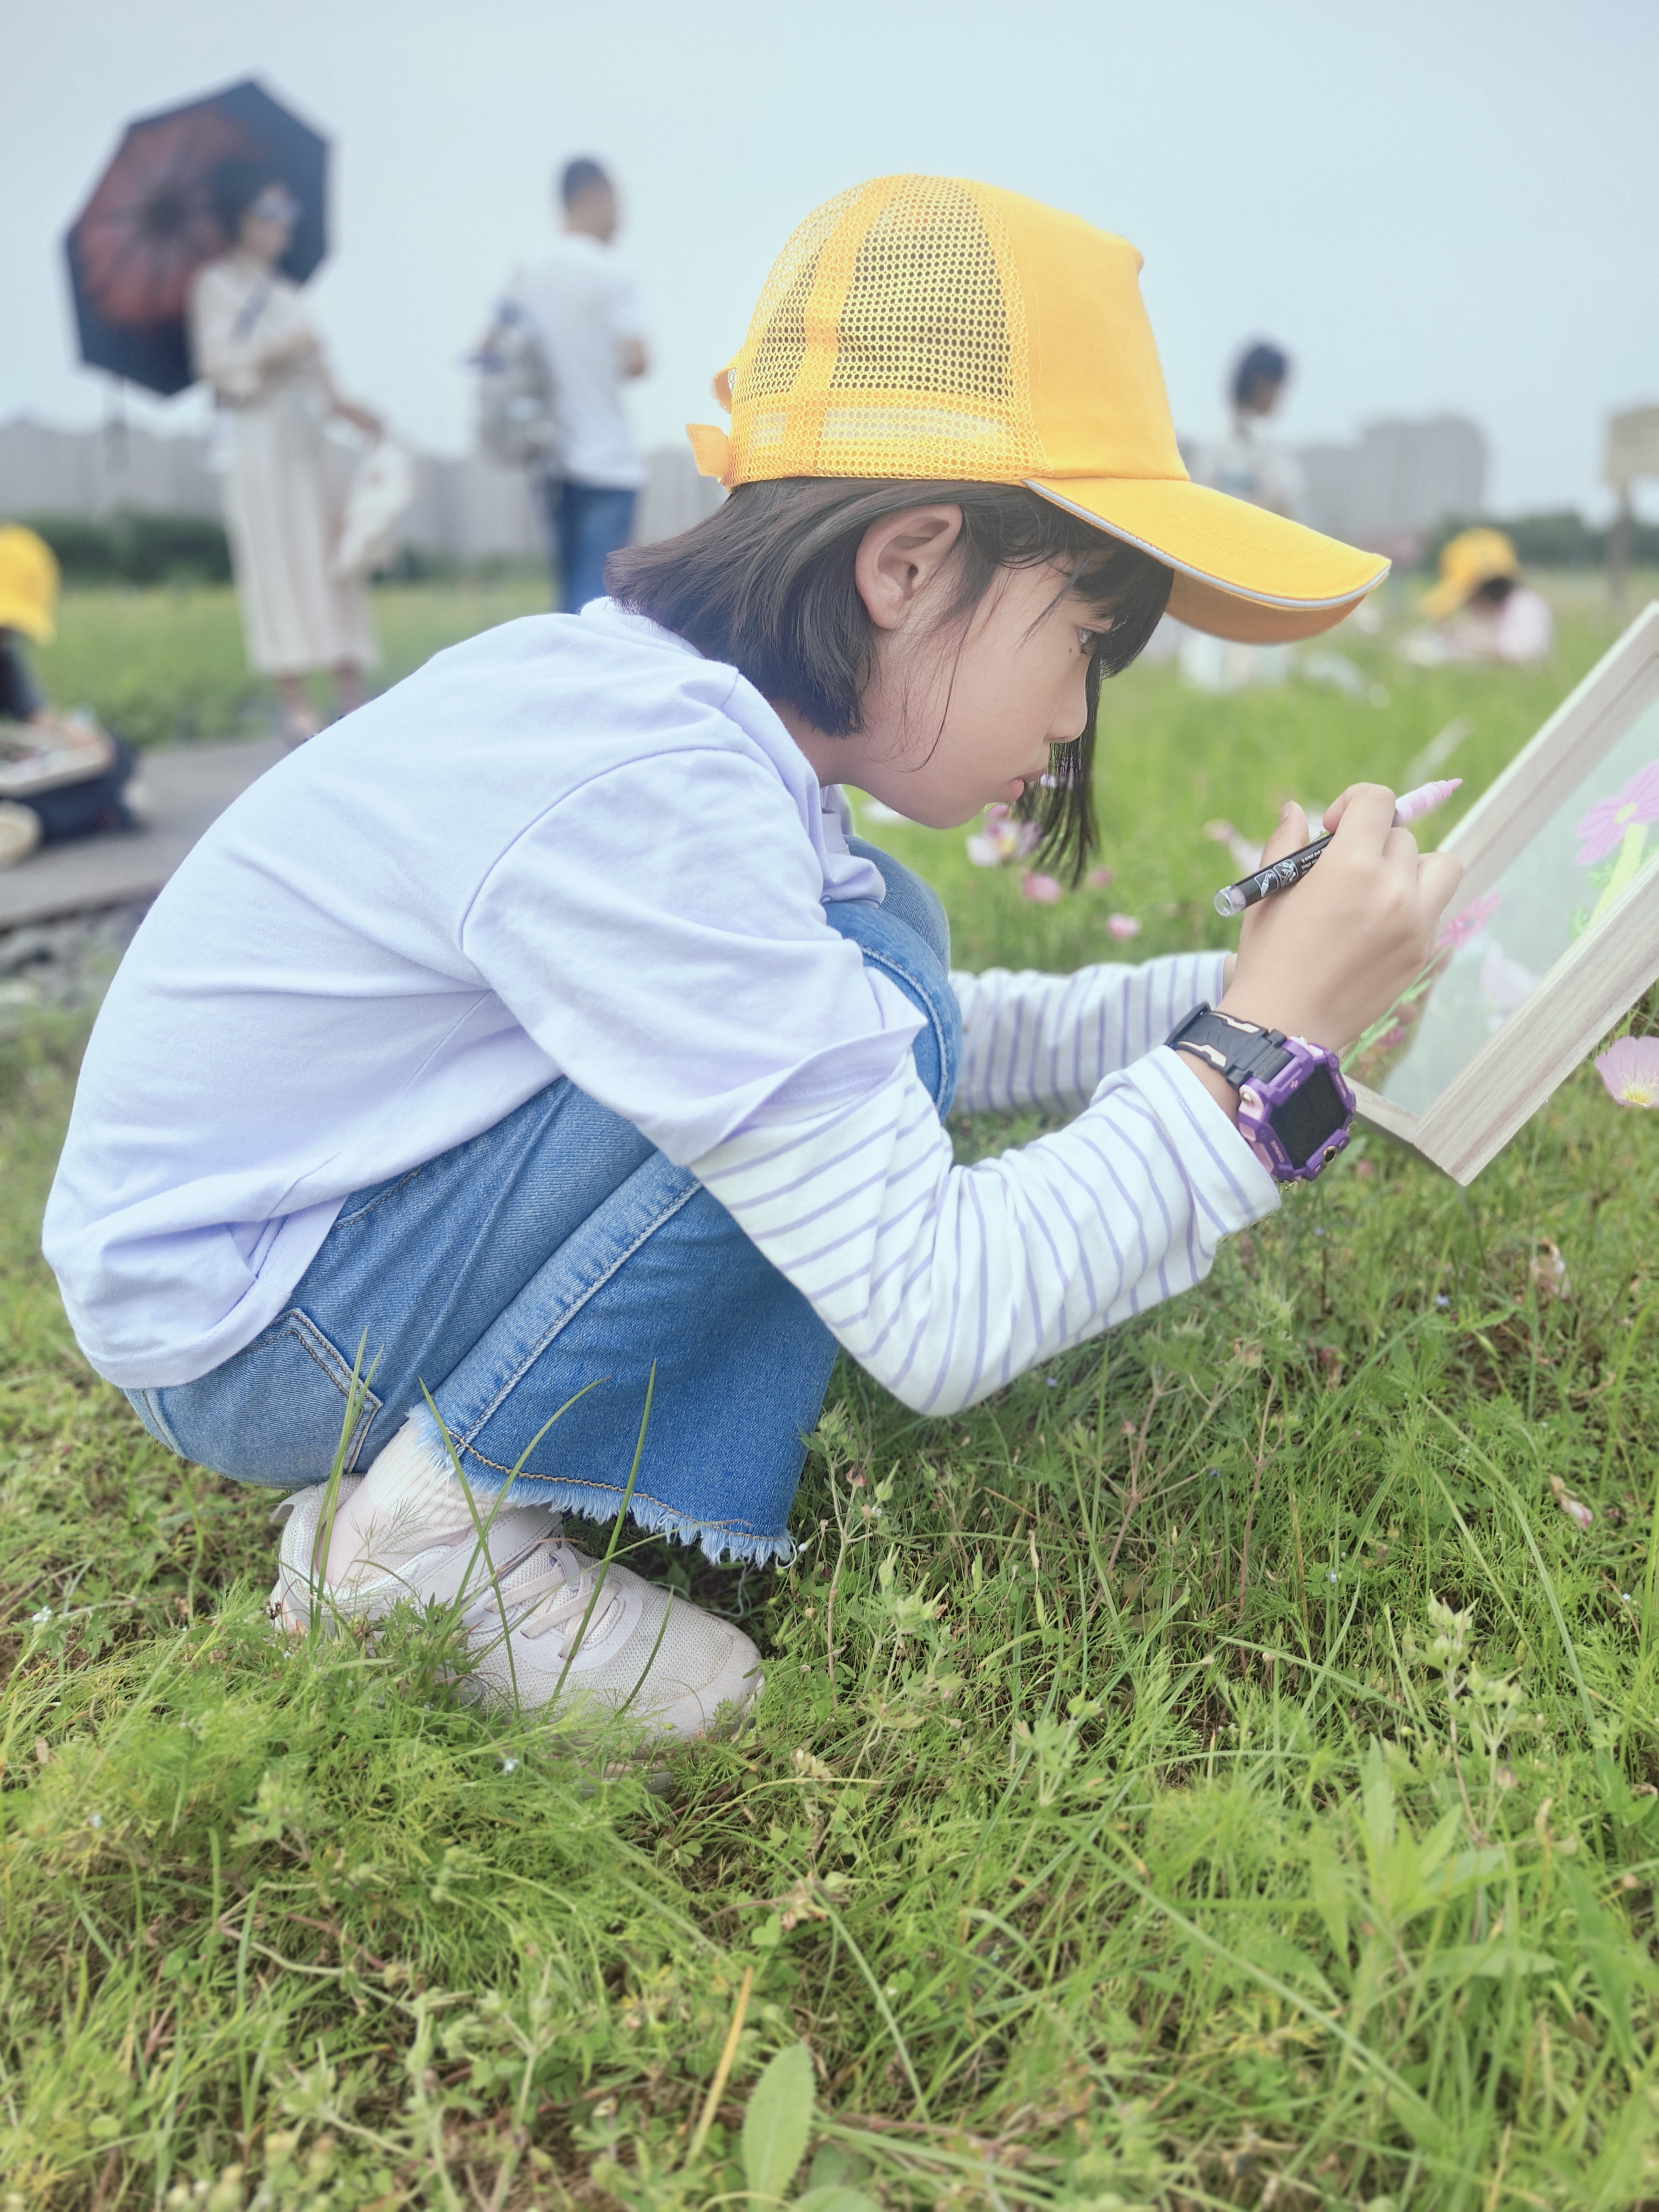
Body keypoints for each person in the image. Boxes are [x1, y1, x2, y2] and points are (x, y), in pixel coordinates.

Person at [43, 177, 1460, 1744]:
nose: (1076, 720)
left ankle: (421, 1502)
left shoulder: (677, 737)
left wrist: (1265, 996)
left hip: (306, 1259)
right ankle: (430, 1545)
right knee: (881, 991)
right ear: (907, 566)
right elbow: (939, 1304)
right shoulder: (648, 786)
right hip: (265, 1326)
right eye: (1087, 645)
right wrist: (1258, 1067)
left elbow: (912, 1043)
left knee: (886, 988)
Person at [188, 165, 383, 749]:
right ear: (240, 220)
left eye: (286, 214)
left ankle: (350, 691)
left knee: (333, 556)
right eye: (267, 214)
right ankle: (295, 699)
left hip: (312, 441)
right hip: (260, 441)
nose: (279, 227)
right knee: (275, 560)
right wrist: (278, 351)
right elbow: (218, 369)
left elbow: (327, 383)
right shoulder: (216, 285)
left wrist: (358, 414)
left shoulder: (292, 294)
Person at [504, 157, 648, 610]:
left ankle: (560, 677)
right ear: (590, 197)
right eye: (614, 205)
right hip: (609, 461)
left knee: (569, 594)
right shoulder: (612, 270)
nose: (619, 219)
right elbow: (638, 361)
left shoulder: (526, 270)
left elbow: (490, 348)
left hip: (552, 458)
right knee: (598, 603)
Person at [0, 524, 150, 869]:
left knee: (119, 751)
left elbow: (39, 719)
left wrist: (81, 738)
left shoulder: (6, 658)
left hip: (17, 781)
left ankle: (45, 821)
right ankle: (108, 810)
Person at [1180, 341, 1307, 691]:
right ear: (1262, 384)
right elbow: (1286, 496)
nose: (1279, 399)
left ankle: (1225, 687)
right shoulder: (1243, 440)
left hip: (1234, 555)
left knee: (1229, 634)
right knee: (1239, 635)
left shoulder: (1228, 438)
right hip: (1239, 553)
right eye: (1278, 389)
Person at [1405, 528, 1555, 666]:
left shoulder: (1526, 606)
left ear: (1480, 593)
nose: (1466, 606)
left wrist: (1475, 642)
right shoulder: (1493, 616)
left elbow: (1525, 654)